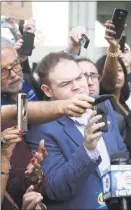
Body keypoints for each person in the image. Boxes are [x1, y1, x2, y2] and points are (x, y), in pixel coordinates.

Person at [26, 52, 128, 209]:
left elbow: (121, 153)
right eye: (66, 84)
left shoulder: (102, 104)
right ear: (47, 91)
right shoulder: (41, 129)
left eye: (80, 77)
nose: (78, 86)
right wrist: (88, 150)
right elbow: (55, 189)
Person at [1, 36, 48, 209]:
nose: (13, 75)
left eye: (15, 65)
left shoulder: (27, 85)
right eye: (2, 71)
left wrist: (32, 175)